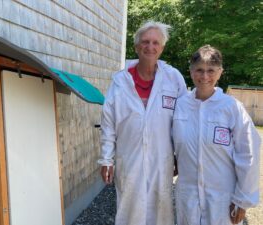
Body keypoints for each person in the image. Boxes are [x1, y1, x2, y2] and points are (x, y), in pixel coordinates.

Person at [98, 21, 187, 225]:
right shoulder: (121, 81)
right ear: (137, 47)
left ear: (162, 48)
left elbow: (184, 121)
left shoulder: (173, 79)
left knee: (161, 208)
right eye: (145, 42)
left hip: (162, 157)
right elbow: (109, 122)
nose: (150, 47)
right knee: (130, 207)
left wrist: (180, 156)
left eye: (156, 42)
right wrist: (106, 159)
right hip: (129, 156)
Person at [172, 45, 261, 225]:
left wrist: (242, 200)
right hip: (187, 195)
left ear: (220, 72)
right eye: (199, 70)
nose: (205, 76)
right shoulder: (180, 106)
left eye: (211, 70)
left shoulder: (231, 108)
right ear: (191, 71)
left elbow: (248, 153)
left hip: (222, 198)